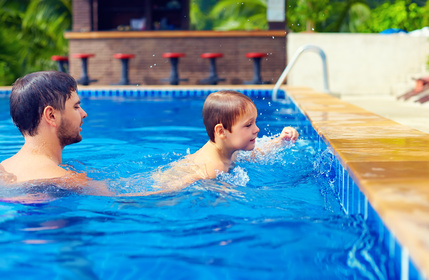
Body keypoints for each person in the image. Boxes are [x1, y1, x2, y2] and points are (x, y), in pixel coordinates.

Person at [152, 90, 299, 190]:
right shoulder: (213, 169)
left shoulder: (227, 149)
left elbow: (257, 154)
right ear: (221, 132)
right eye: (248, 125)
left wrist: (281, 141)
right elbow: (175, 187)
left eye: (255, 122)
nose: (256, 129)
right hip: (167, 182)